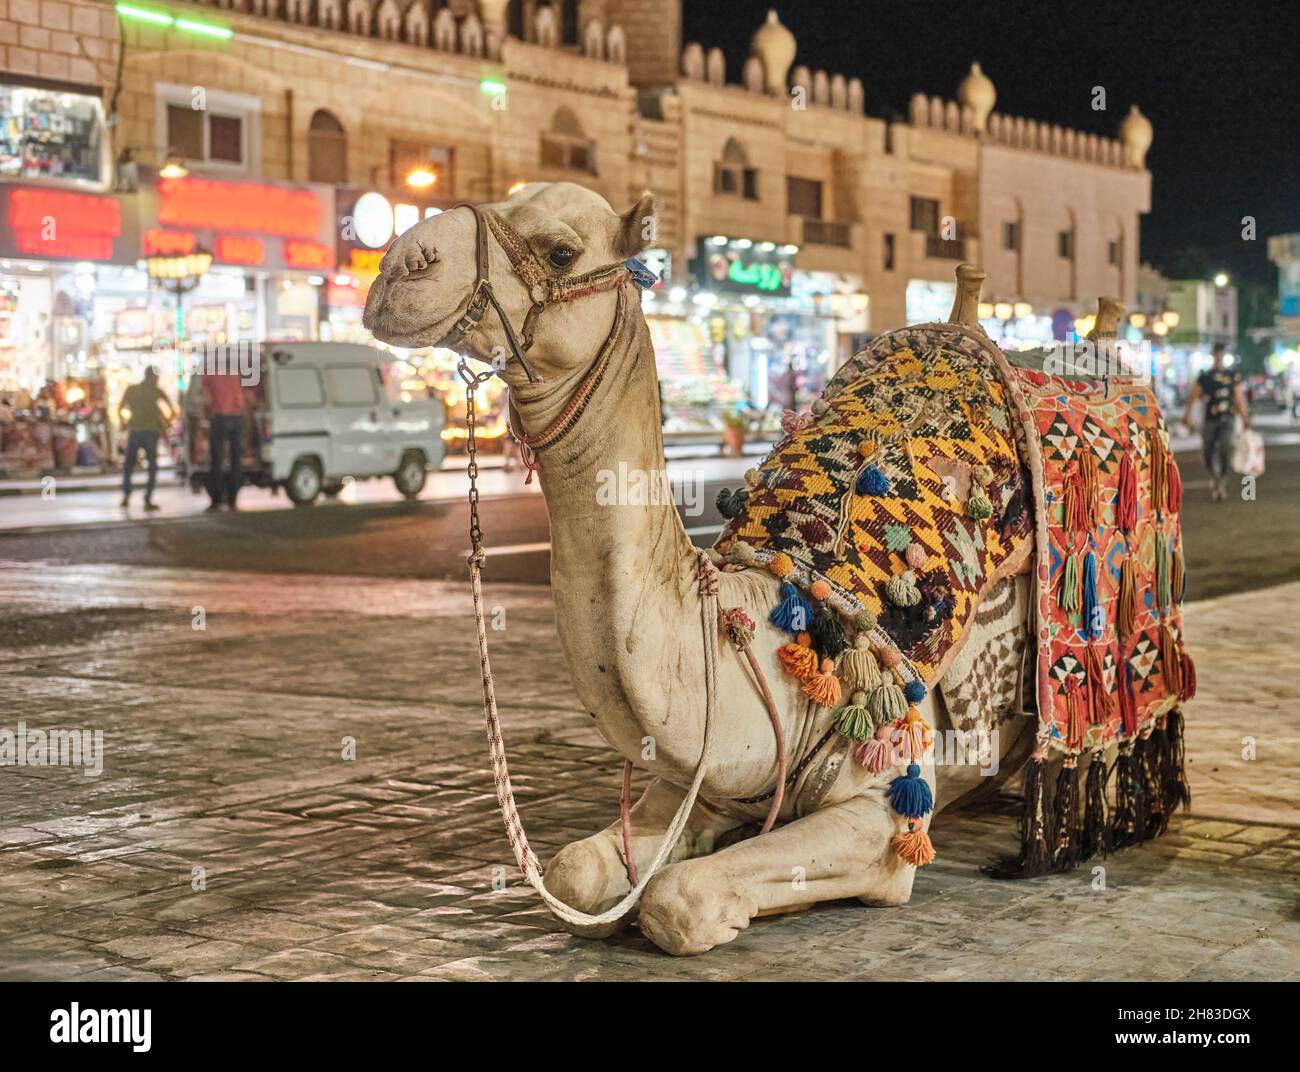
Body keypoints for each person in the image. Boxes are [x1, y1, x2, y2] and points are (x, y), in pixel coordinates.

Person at [1182, 342, 1251, 501]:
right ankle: (1214, 476)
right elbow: (1193, 397)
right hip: (1210, 420)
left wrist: (1245, 419)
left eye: (1221, 356)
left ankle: (1222, 480)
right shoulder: (1205, 377)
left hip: (1228, 419)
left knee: (1225, 448)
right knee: (1207, 451)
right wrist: (1186, 416)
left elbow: (1239, 399)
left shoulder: (1233, 376)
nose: (1218, 359)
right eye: (1216, 356)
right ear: (1213, 356)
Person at [118, 368, 174, 511]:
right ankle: (148, 498)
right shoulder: (156, 391)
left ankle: (126, 495)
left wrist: (124, 423)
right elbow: (172, 410)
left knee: (129, 465)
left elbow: (120, 408)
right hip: (151, 432)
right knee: (152, 467)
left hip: (135, 431)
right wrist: (165, 424)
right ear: (153, 377)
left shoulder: (132, 390)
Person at [201, 369, 247, 511]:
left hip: (220, 418)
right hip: (237, 418)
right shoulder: (235, 375)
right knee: (235, 462)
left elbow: (203, 395)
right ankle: (233, 500)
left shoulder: (211, 375)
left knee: (217, 460)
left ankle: (217, 500)